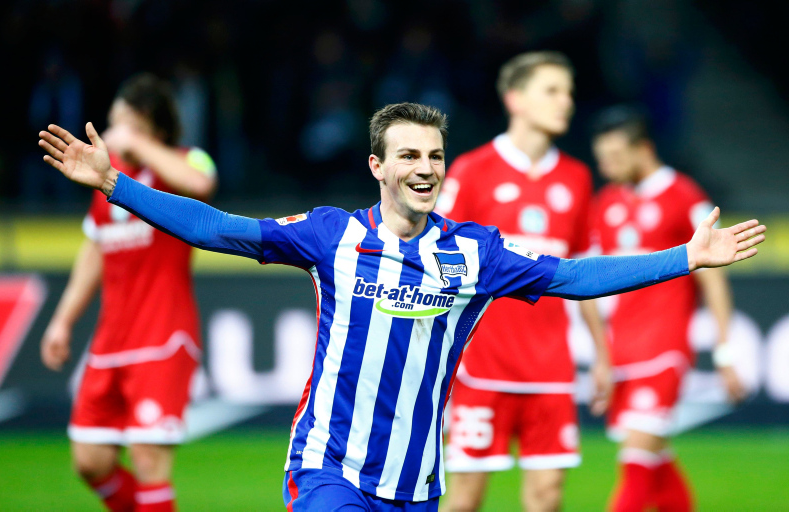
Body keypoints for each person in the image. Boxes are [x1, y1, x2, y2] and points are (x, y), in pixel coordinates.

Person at [38, 102, 764, 512]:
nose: (425, 168)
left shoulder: (475, 254)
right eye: (409, 156)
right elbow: (219, 229)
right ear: (378, 166)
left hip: (417, 485)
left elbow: (573, 276)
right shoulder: (332, 235)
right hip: (329, 468)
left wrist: (684, 258)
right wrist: (115, 184)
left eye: (435, 156)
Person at [435, 51, 610, 512]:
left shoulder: (576, 178)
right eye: (552, 90)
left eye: (568, 91)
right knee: (465, 498)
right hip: (481, 365)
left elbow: (585, 273)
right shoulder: (472, 170)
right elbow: (435, 261)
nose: (565, 101)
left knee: (547, 497)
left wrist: (602, 354)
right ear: (515, 99)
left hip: (551, 366)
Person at [39, 73, 217, 512]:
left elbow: (202, 184)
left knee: (148, 458)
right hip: (111, 340)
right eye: (114, 122)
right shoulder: (104, 179)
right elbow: (94, 251)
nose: (114, 133)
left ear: (151, 126)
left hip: (164, 336)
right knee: (89, 460)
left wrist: (138, 144)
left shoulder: (185, 160)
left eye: (126, 124)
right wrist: (62, 320)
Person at [589, 106, 747, 512]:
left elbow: (713, 281)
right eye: (602, 159)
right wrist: (602, 356)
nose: (608, 168)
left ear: (643, 149)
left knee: (636, 463)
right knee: (655, 461)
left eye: (616, 157)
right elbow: (588, 282)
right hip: (622, 351)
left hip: (664, 348)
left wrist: (725, 353)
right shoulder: (606, 203)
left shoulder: (684, 196)